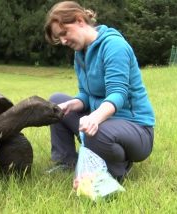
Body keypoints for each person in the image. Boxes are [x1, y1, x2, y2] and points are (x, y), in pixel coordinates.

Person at [43, 1, 155, 182]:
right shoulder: (80, 54)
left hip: (137, 129)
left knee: (96, 131)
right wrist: (71, 104)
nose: (63, 41)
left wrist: (94, 118)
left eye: (64, 33)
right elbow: (86, 95)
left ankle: (116, 170)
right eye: (59, 37)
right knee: (55, 103)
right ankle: (67, 162)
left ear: (80, 20)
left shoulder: (114, 46)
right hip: (107, 123)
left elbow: (118, 94)